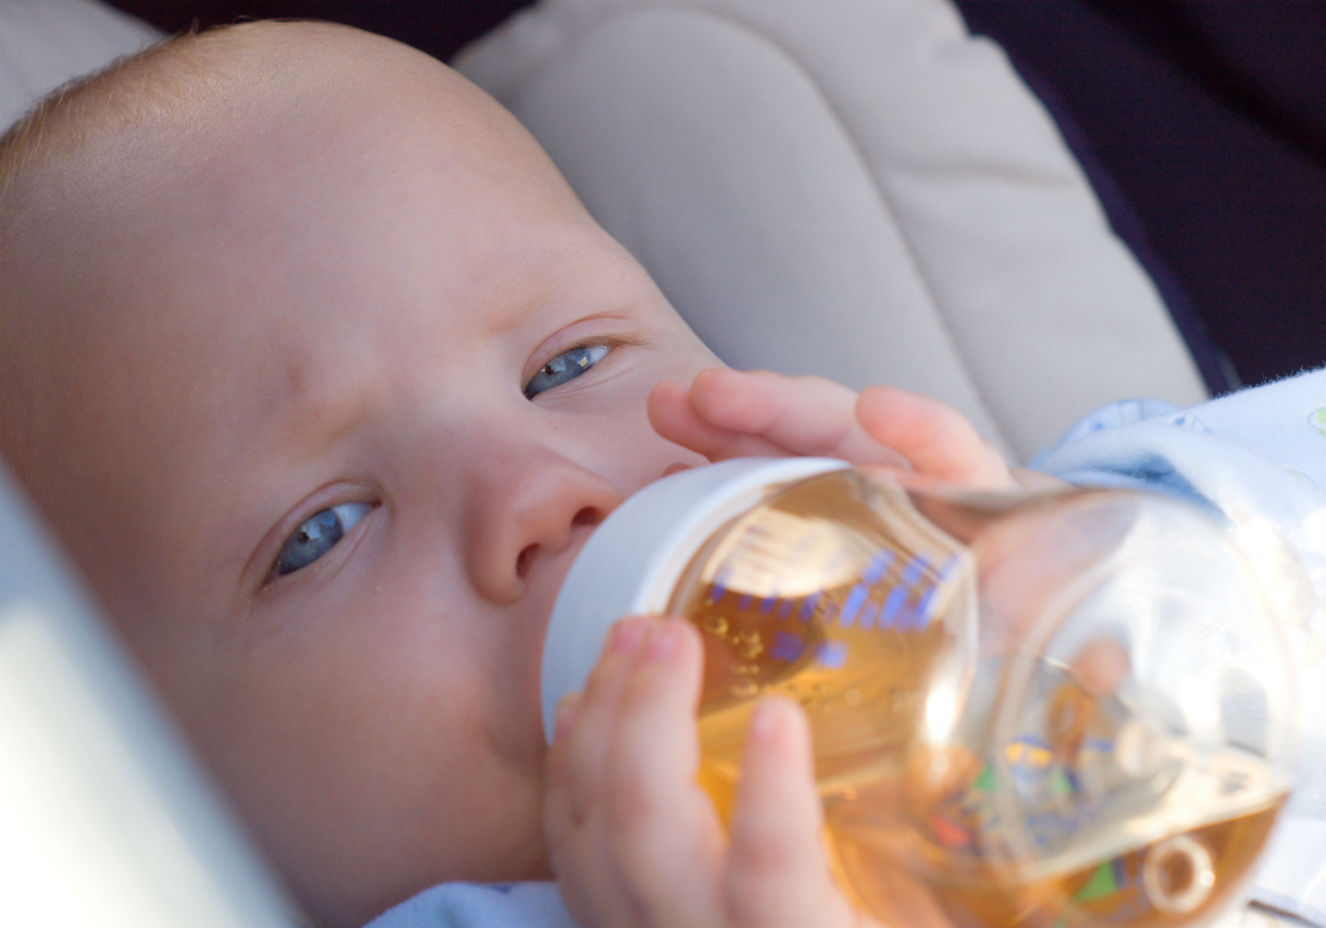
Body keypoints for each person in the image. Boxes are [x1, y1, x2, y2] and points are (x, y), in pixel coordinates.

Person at [1, 18, 1322, 928]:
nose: (536, 490)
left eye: (567, 365)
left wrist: (1096, 614)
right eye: (323, 529)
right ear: (152, 790)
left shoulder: (1038, 596)